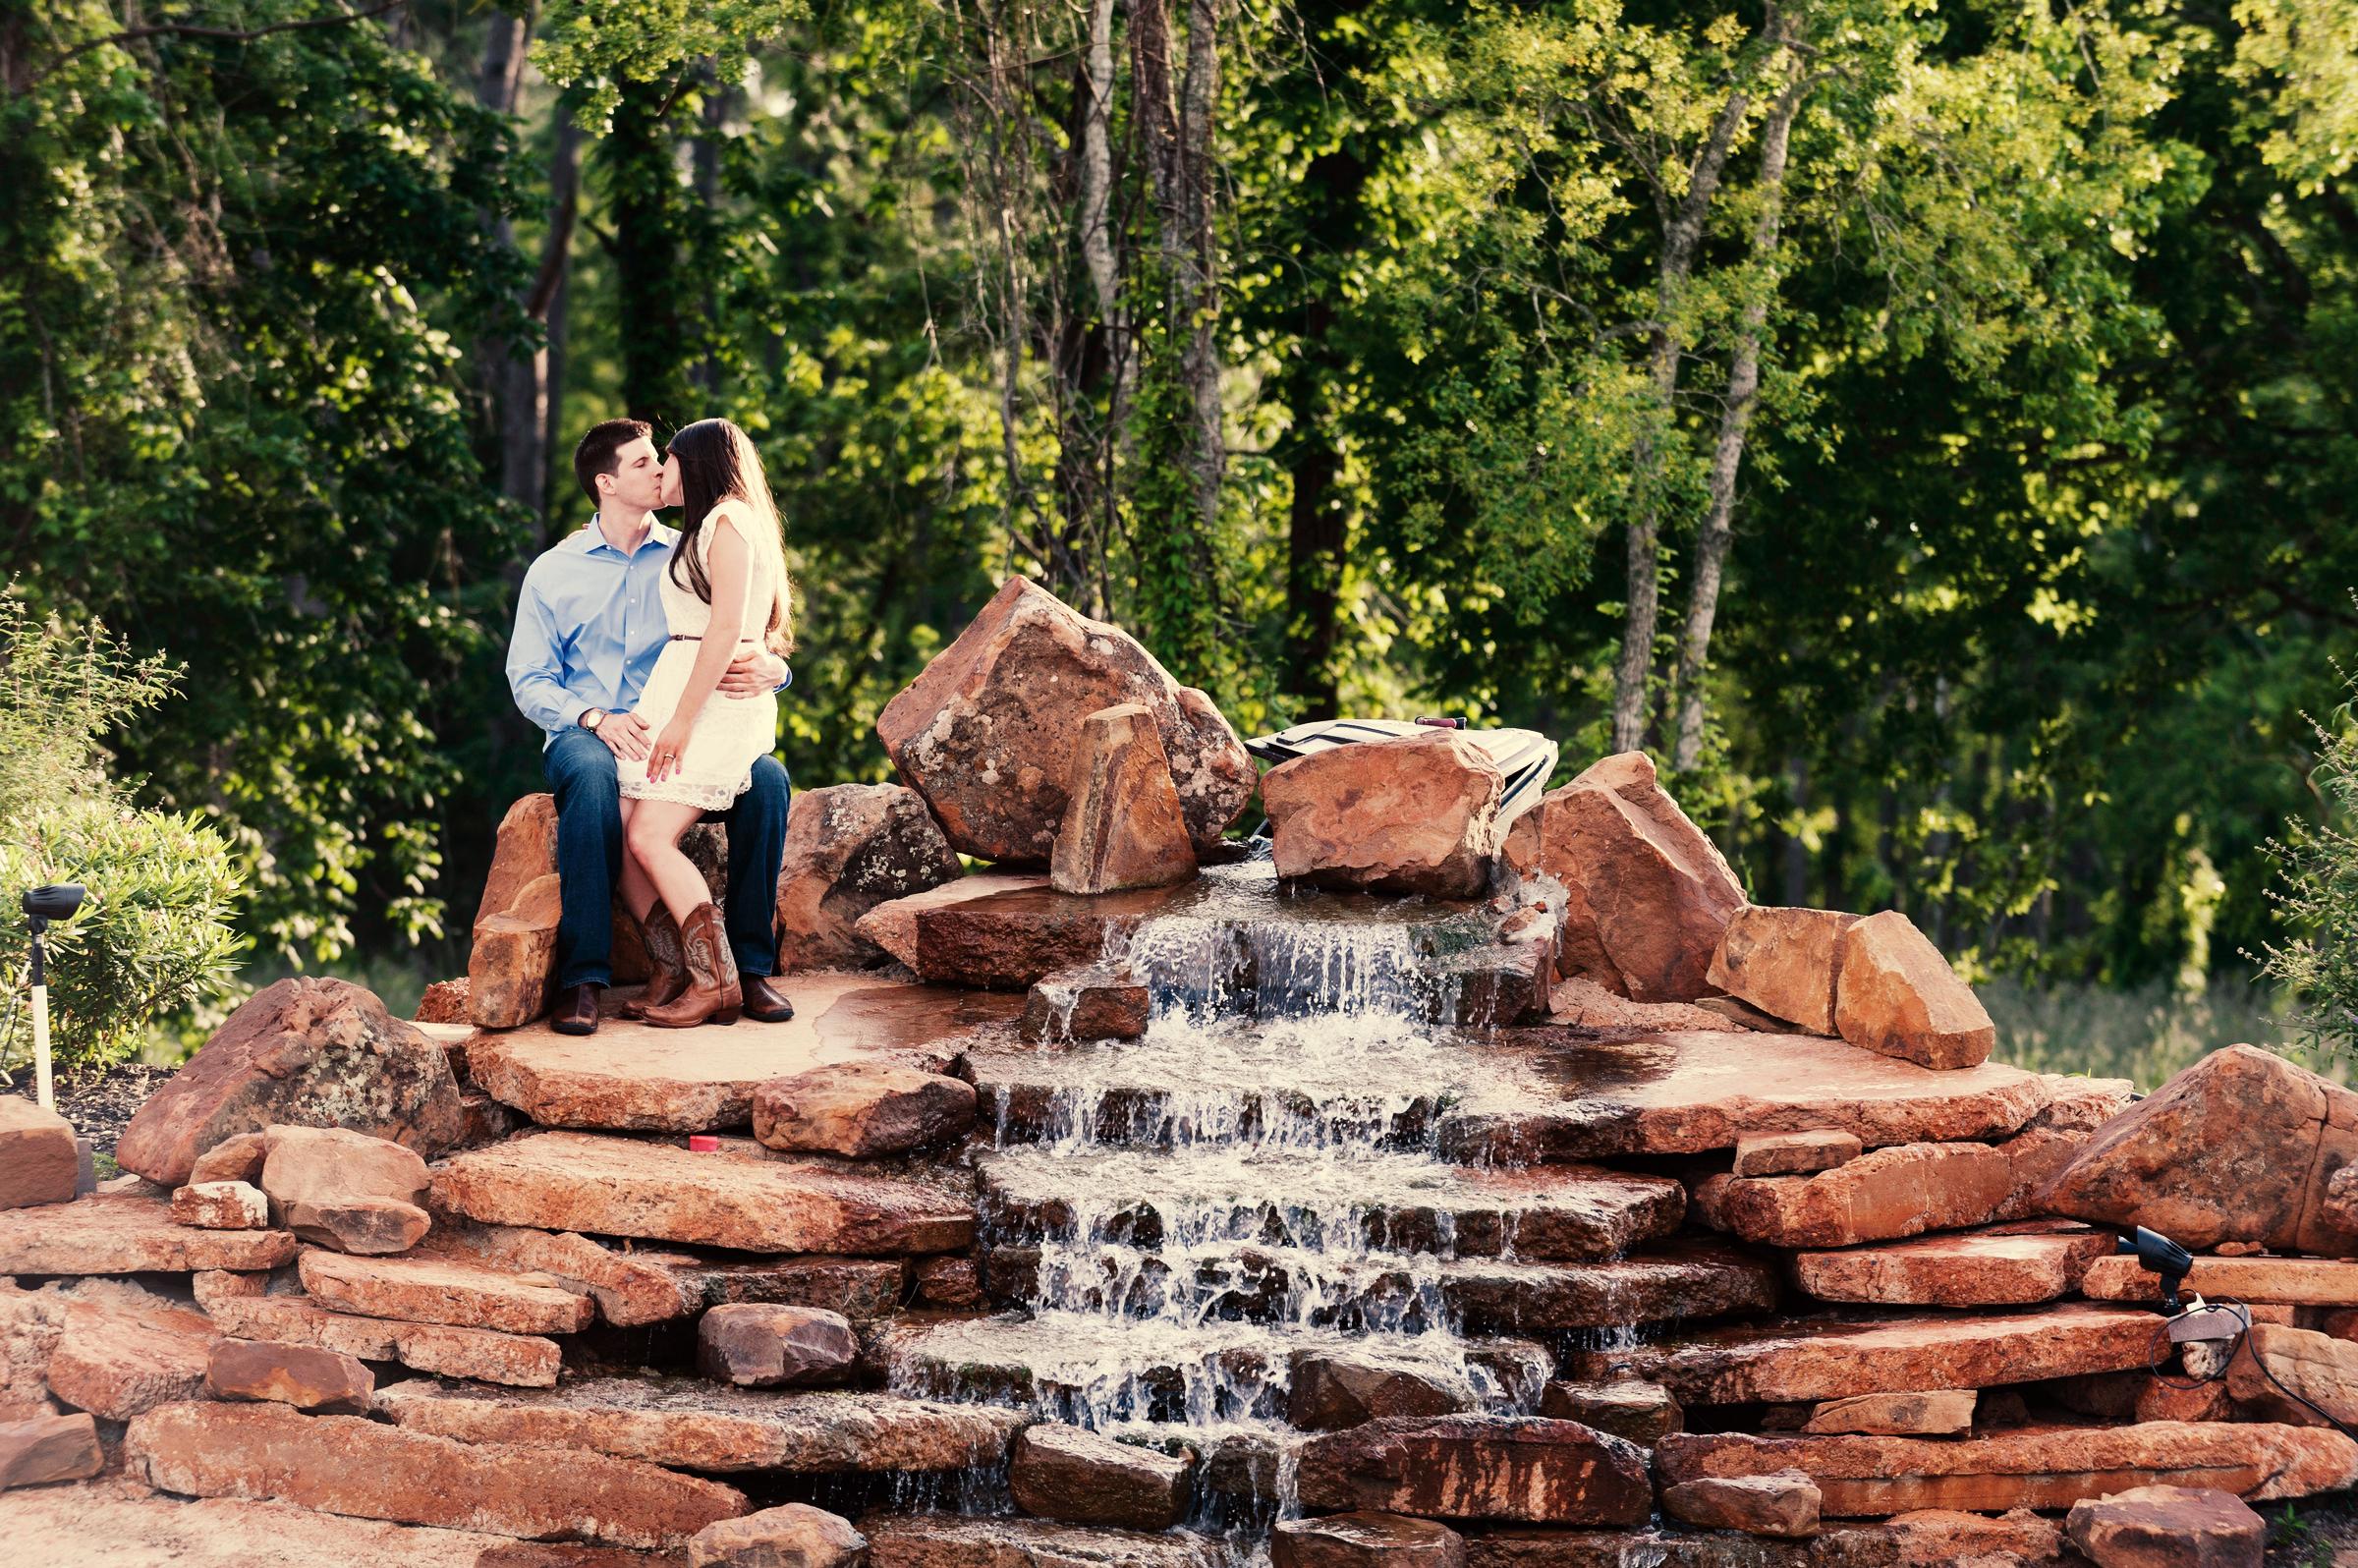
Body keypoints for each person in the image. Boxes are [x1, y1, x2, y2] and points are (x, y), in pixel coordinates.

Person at [506, 418, 798, 1035]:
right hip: (593, 728)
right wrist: (593, 718)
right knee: (590, 774)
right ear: (606, 483)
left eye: (663, 460)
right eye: (644, 463)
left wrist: (774, 669)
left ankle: (744, 969)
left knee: (768, 781)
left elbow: (743, 626)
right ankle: (585, 979)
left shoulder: (691, 543)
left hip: (688, 722)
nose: (660, 470)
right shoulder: (553, 571)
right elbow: (528, 678)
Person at [613, 418, 796, 1027]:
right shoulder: (706, 526)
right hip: (678, 692)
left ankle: (716, 980)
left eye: (667, 461)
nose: (661, 473)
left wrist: (682, 722)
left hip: (710, 704)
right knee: (617, 823)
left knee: (648, 837)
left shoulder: (729, 520)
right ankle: (673, 964)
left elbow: (728, 628)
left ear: (699, 465)